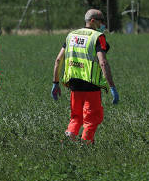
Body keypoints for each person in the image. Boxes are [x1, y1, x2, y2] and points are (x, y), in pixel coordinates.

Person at [51, 9, 119, 144]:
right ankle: (85, 146)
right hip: (90, 84)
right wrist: (112, 87)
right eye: (101, 21)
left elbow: (58, 60)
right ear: (93, 21)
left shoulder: (71, 35)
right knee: (92, 118)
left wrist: (55, 83)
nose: (102, 25)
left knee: (76, 117)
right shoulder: (98, 37)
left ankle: (68, 142)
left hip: (74, 84)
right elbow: (103, 62)